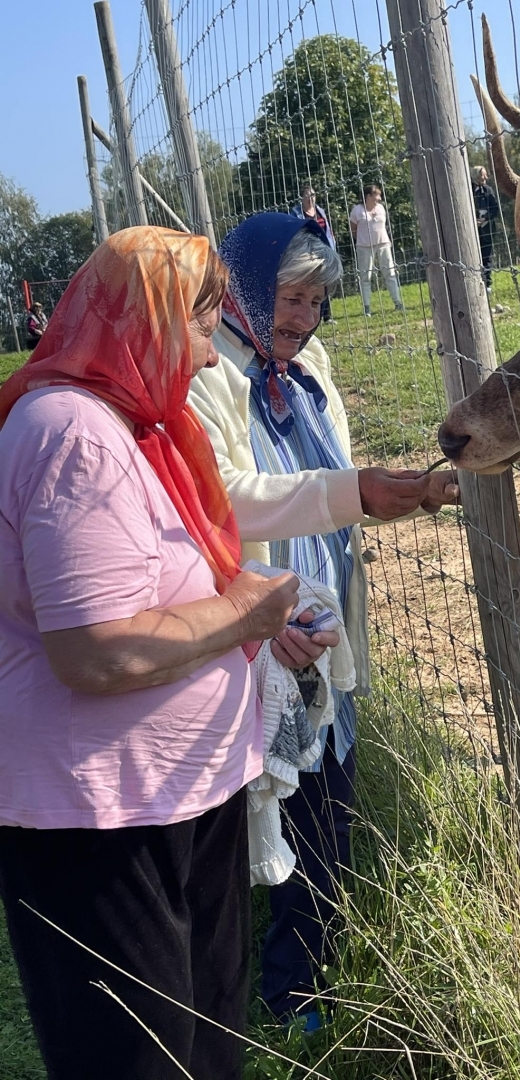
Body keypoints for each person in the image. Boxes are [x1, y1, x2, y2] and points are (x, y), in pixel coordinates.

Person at [0, 226, 326, 1080]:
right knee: (138, 1063)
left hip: (184, 796)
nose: (215, 360)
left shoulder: (138, 425)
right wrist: (241, 617)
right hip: (101, 825)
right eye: (201, 322)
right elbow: (97, 651)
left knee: (207, 1048)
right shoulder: (72, 432)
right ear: (141, 318)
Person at [188, 212, 459, 1029]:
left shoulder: (314, 366)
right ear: (239, 287)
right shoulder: (205, 374)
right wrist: (354, 492)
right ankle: (230, 996)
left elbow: (336, 482)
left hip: (325, 627)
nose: (303, 318)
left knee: (329, 809)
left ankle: (300, 983)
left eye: (316, 300)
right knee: (259, 811)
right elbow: (223, 502)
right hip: (250, 633)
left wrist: (395, 497)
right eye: (290, 297)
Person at [349, 184, 403, 316]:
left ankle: (398, 303)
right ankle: (367, 307)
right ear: (368, 196)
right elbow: (353, 229)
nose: (379, 198)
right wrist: (363, 240)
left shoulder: (381, 208)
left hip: (383, 243)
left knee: (389, 272)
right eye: (376, 195)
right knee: (365, 276)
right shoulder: (357, 211)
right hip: (364, 247)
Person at [292, 183, 336, 322]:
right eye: (307, 195)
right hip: (307, 251)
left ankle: (327, 315)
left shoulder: (320, 211)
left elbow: (328, 229)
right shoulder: (296, 213)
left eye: (313, 195)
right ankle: (312, 315)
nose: (310, 198)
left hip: (324, 250)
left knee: (326, 281)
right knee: (311, 283)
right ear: (301, 198)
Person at [471, 166, 499, 292]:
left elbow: (495, 208)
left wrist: (485, 218)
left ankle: (487, 283)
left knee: (487, 256)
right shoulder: (468, 189)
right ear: (476, 175)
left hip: (486, 229)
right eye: (483, 175)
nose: (486, 177)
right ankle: (474, 283)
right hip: (471, 230)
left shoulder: (488, 190)